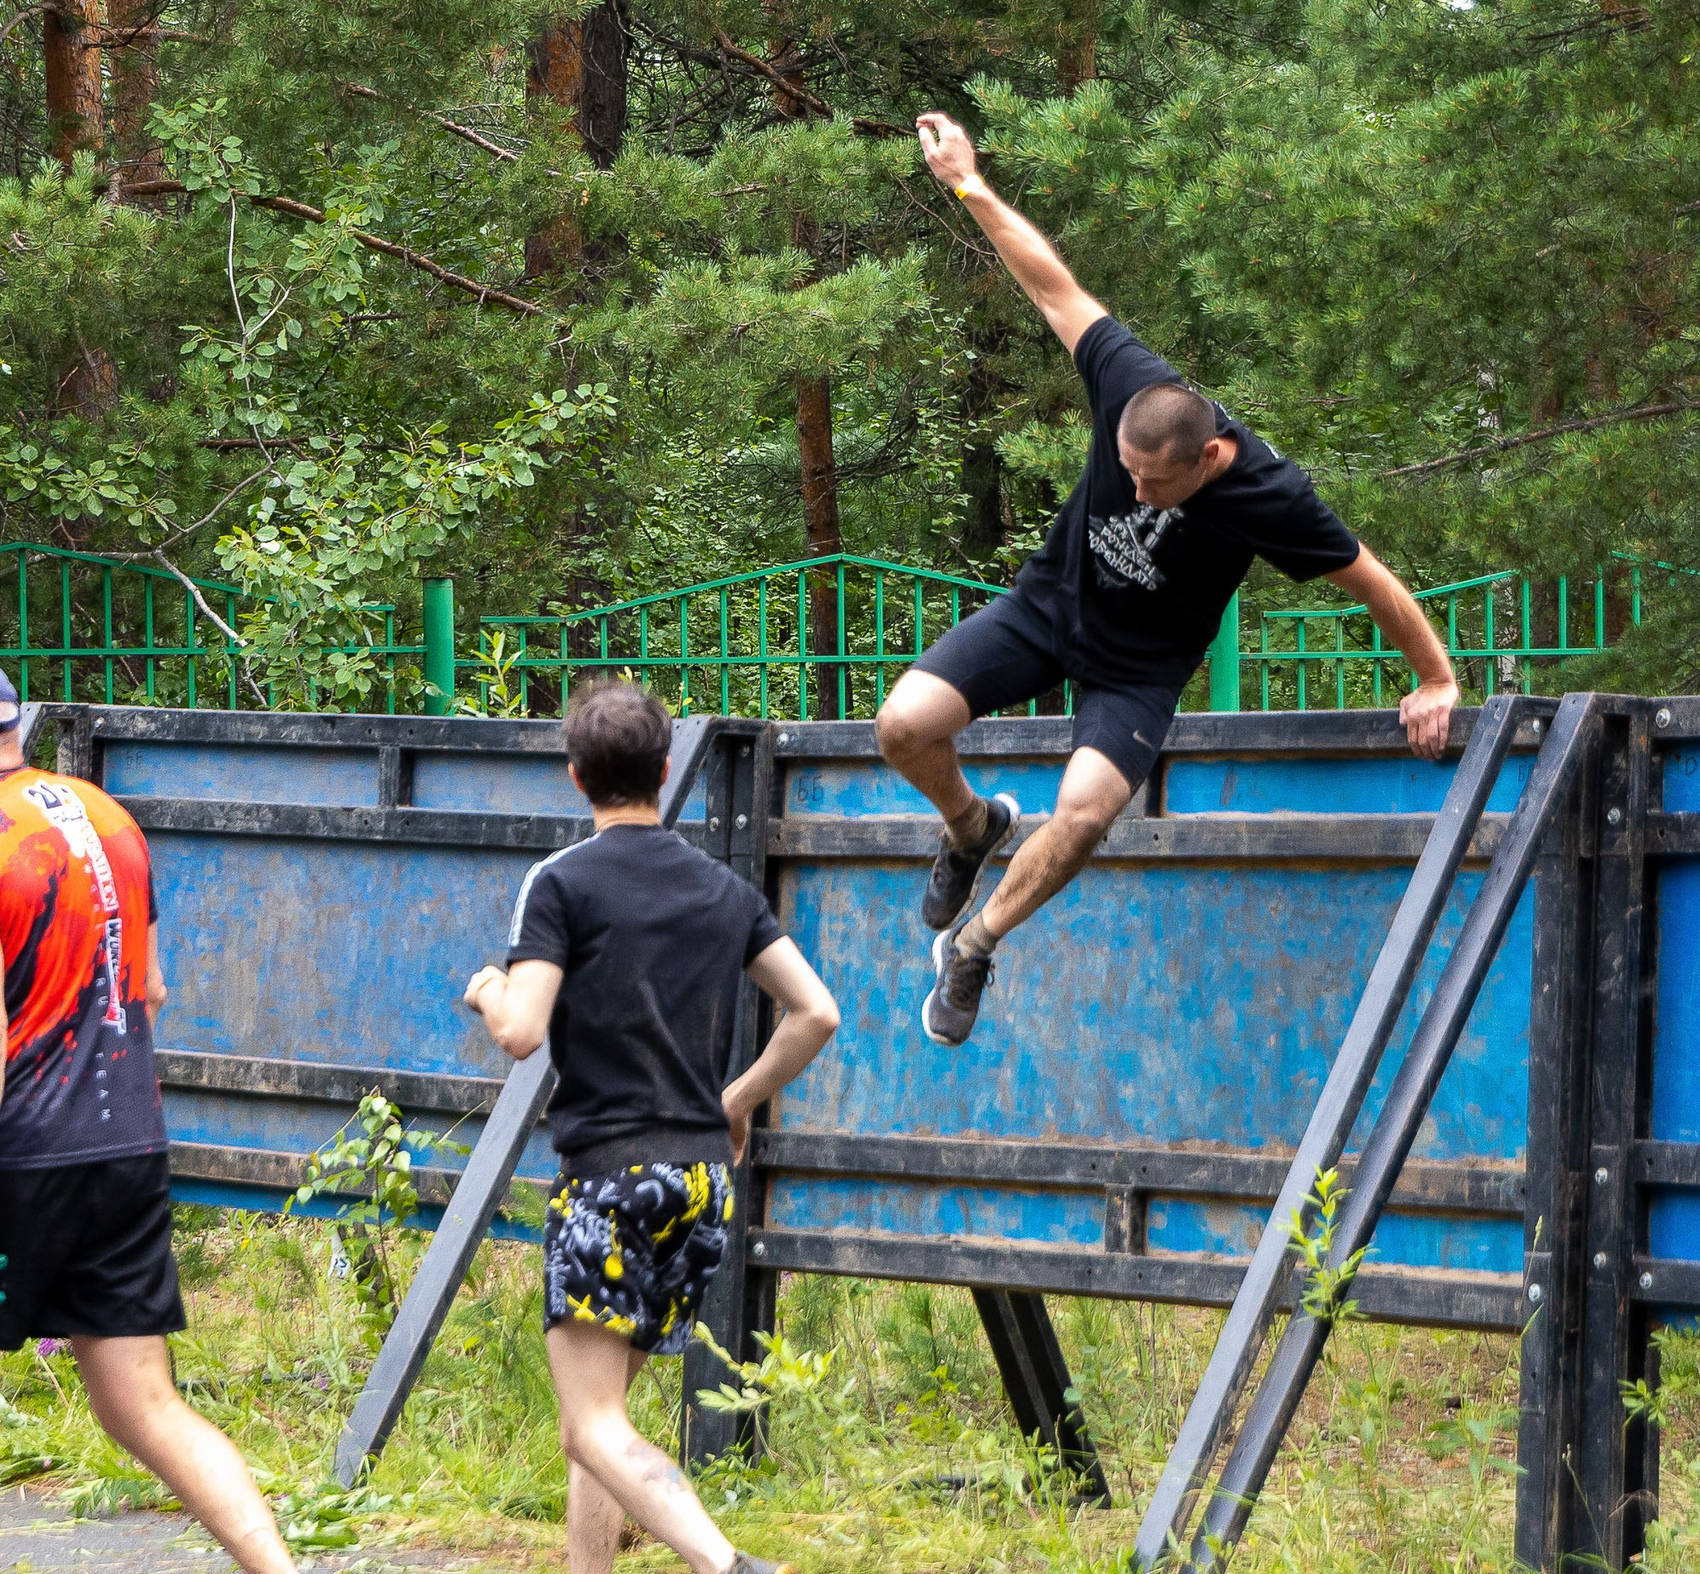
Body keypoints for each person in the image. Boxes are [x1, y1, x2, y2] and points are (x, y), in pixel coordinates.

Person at [880, 111, 1466, 1049]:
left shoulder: (1272, 494)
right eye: (1127, 471)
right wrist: (967, 182)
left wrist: (1436, 677)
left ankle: (976, 944)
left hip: (1138, 670)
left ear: (1210, 458)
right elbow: (1050, 286)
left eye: (1156, 482)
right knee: (901, 723)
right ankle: (969, 825)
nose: (1138, 491)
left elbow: (1375, 583)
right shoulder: (1128, 379)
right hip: (1049, 607)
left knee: (1086, 812)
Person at [0, 656, 294, 1574]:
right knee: (143, 1404)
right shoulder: (107, 817)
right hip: (125, 1142)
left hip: (8, 1156)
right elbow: (154, 987)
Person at [463, 681, 840, 1574]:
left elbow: (521, 1031)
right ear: (665, 771)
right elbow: (816, 1012)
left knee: (593, 1423)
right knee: (599, 1425)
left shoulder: (558, 883)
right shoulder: (722, 889)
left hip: (609, 1183)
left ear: (575, 776)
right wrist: (737, 1097)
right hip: (701, 1183)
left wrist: (486, 987)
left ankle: (727, 1563)